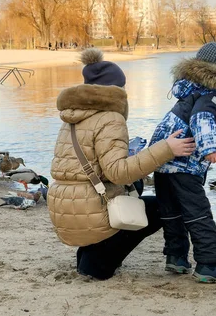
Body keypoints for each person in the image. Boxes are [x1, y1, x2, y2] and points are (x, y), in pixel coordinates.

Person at [47, 48, 196, 280]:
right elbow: (117, 173)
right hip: (87, 208)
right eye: (123, 87)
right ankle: (98, 262)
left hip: (64, 207)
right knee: (159, 207)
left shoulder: (71, 118)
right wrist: (167, 148)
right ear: (114, 90)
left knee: (135, 187)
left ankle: (88, 251)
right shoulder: (111, 118)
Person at [149, 42, 216, 284]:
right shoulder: (214, 95)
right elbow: (203, 119)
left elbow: (214, 117)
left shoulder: (193, 91)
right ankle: (209, 264)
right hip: (184, 166)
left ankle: (176, 257)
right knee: (198, 214)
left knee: (172, 214)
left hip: (162, 162)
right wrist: (209, 149)